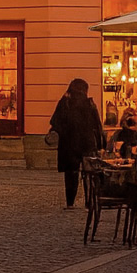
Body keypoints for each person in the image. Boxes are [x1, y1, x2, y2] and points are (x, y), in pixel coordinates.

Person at [49, 78, 105, 209]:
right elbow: (97, 125)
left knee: (71, 174)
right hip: (88, 143)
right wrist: (101, 144)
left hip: (69, 144)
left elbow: (55, 121)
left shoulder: (65, 103)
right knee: (89, 175)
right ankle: (89, 202)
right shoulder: (89, 104)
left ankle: (70, 203)